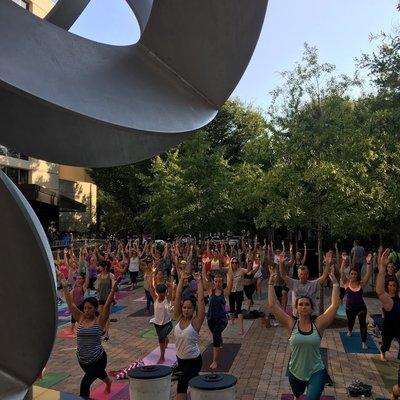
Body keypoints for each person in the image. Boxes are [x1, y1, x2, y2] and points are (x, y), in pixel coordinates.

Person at [268, 254, 340, 400]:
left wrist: (336, 285)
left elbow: (334, 305)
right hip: (295, 372)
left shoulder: (318, 324)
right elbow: (273, 305)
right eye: (301, 304)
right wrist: (270, 283)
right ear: (296, 307)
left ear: (311, 307)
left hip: (317, 371)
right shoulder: (290, 323)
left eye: (307, 304)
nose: (304, 306)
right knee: (297, 394)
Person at [59, 272, 118, 399]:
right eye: (85, 308)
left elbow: (107, 306)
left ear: (95, 309)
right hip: (82, 360)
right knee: (98, 374)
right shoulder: (80, 317)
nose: (86, 311)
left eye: (89, 308)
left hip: (98, 359)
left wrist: (113, 290)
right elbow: (71, 305)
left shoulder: (99, 321)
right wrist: (64, 286)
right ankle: (108, 381)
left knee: (85, 385)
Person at [173, 271, 205, 400]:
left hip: (193, 360)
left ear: (194, 309)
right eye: (184, 307)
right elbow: (177, 296)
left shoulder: (196, 322)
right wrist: (181, 280)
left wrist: (199, 282)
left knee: (182, 385)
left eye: (189, 308)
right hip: (180, 359)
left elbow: (201, 300)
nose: (186, 310)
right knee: (194, 383)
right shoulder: (178, 317)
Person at [376, 249, 400, 399]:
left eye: (394, 286)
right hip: (389, 324)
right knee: (386, 343)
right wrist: (382, 268)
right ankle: (396, 391)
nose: (392, 287)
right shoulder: (391, 303)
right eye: (390, 286)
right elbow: (379, 290)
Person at [280, 251, 331, 318]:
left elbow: (324, 276)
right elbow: (283, 275)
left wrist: (327, 264)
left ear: (308, 275)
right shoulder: (294, 283)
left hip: (311, 316)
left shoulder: (313, 284)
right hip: (297, 316)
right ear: (298, 275)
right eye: (301, 274)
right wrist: (281, 263)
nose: (303, 276)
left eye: (305, 274)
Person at [340, 253, 372, 349]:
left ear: (357, 275)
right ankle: (350, 330)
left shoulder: (361, 284)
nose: (353, 275)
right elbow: (341, 272)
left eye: (355, 274)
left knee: (363, 323)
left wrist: (368, 263)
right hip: (349, 309)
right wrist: (343, 260)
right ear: (349, 275)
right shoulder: (346, 283)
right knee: (351, 322)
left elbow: (368, 274)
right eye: (351, 274)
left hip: (361, 308)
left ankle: (364, 341)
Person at [204, 267, 233, 370]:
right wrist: (204, 267)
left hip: (221, 320)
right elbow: (204, 280)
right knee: (215, 333)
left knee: (215, 336)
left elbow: (231, 283)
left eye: (220, 281)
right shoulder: (210, 291)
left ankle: (214, 361)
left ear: (222, 282)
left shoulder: (224, 293)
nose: (218, 283)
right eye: (216, 281)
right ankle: (220, 340)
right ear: (214, 282)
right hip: (211, 318)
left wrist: (229, 272)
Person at [148, 270, 173, 364]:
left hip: (167, 324)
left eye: (162, 292)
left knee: (161, 339)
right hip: (157, 323)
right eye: (159, 292)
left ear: (165, 292)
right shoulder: (155, 299)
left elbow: (171, 290)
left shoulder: (167, 299)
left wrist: (170, 284)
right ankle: (166, 339)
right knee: (162, 337)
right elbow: (150, 288)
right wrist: (151, 276)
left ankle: (162, 357)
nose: (161, 294)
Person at [228, 256, 248, 335]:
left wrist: (249, 262)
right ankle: (232, 321)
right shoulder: (229, 270)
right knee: (232, 309)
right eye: (233, 263)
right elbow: (220, 268)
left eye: (236, 263)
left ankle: (241, 329)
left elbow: (249, 271)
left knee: (239, 310)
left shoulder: (241, 270)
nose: (234, 264)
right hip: (231, 292)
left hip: (239, 292)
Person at [96, 260, 115, 341]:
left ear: (105, 267)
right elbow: (97, 288)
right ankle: (102, 330)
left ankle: (106, 334)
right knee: (101, 316)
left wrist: (113, 298)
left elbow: (114, 287)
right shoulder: (98, 276)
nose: (99, 267)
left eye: (100, 266)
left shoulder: (111, 275)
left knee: (106, 316)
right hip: (101, 298)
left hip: (108, 298)